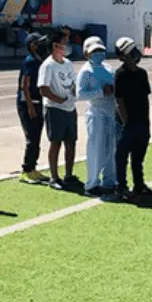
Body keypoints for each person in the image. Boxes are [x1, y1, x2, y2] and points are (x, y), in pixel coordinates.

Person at [76, 36, 119, 199]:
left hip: (111, 111)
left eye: (100, 50)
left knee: (111, 148)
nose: (98, 54)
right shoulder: (86, 71)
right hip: (97, 112)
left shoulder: (108, 67)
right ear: (86, 53)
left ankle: (109, 180)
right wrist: (101, 92)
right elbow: (79, 94)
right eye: (94, 51)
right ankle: (92, 183)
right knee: (97, 149)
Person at [113, 36, 152, 201]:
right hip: (127, 123)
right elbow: (119, 101)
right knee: (122, 156)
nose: (135, 55)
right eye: (131, 53)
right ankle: (121, 186)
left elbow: (145, 98)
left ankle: (139, 185)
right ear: (122, 57)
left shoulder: (142, 74)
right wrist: (126, 123)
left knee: (138, 157)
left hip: (142, 121)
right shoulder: (120, 74)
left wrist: (146, 121)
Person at [38, 29, 78, 190]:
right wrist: (60, 100)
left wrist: (75, 96)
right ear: (55, 45)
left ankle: (69, 174)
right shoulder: (48, 66)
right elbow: (43, 89)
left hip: (70, 108)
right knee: (56, 143)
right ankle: (54, 177)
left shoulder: (67, 64)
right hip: (55, 109)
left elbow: (73, 84)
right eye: (65, 42)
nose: (67, 46)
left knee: (71, 142)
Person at [17, 32, 48, 184]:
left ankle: (33, 168)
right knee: (31, 138)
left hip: (38, 102)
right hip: (28, 103)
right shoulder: (29, 62)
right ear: (32, 46)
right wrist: (29, 106)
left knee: (37, 137)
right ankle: (26, 170)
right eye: (38, 42)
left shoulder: (40, 60)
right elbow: (25, 86)